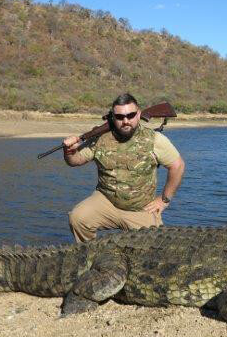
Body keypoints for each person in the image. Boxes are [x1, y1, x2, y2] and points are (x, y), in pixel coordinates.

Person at [62, 93, 185, 242]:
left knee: (154, 247)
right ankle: (90, 256)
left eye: (131, 115)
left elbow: (177, 166)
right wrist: (69, 152)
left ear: (139, 114)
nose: (125, 121)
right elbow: (75, 161)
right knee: (78, 218)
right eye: (120, 117)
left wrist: (164, 200)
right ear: (113, 117)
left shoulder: (155, 140)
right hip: (105, 201)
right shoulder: (100, 138)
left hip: (140, 208)